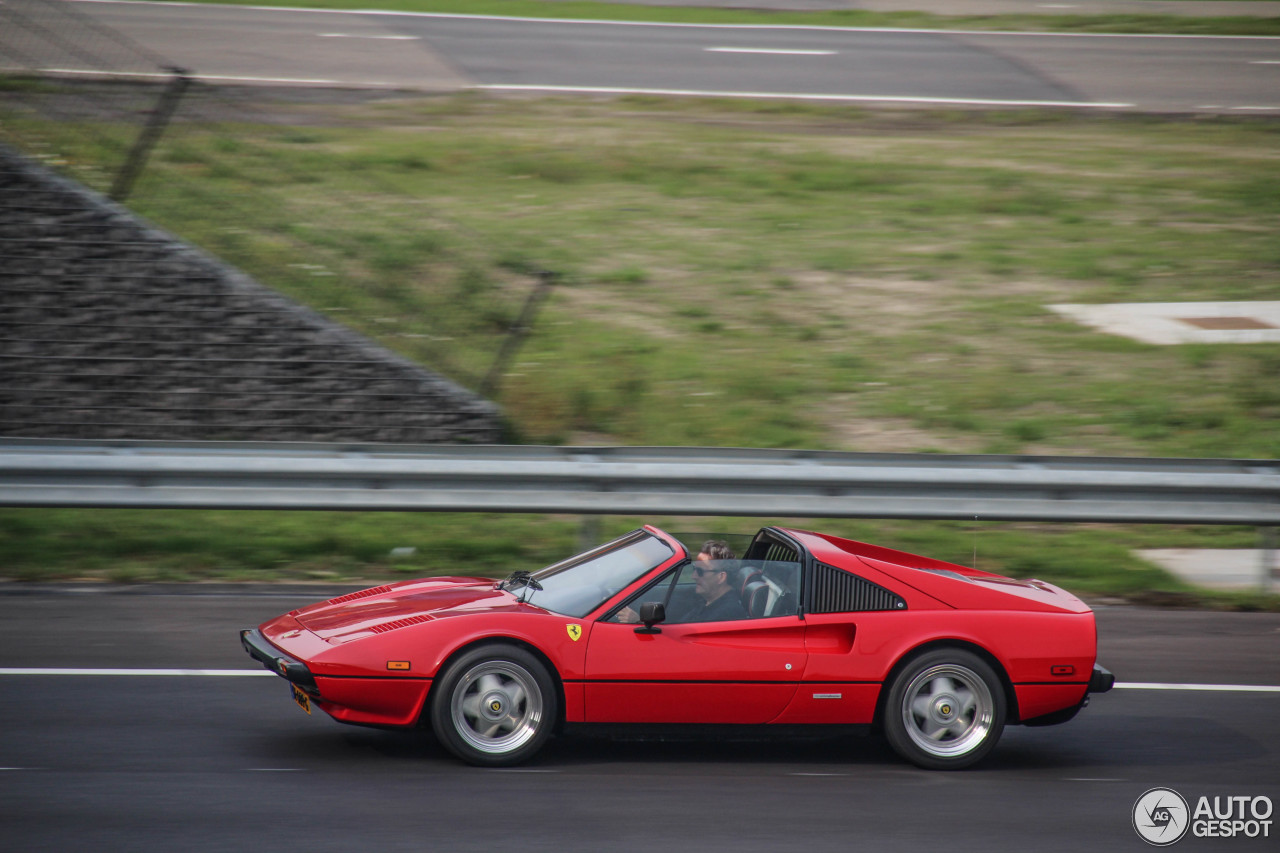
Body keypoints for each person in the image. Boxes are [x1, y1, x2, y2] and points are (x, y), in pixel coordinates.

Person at [675, 540, 748, 623]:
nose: (693, 576)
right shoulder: (707, 602)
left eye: (700, 571)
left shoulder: (728, 613)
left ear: (721, 577)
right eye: (694, 569)